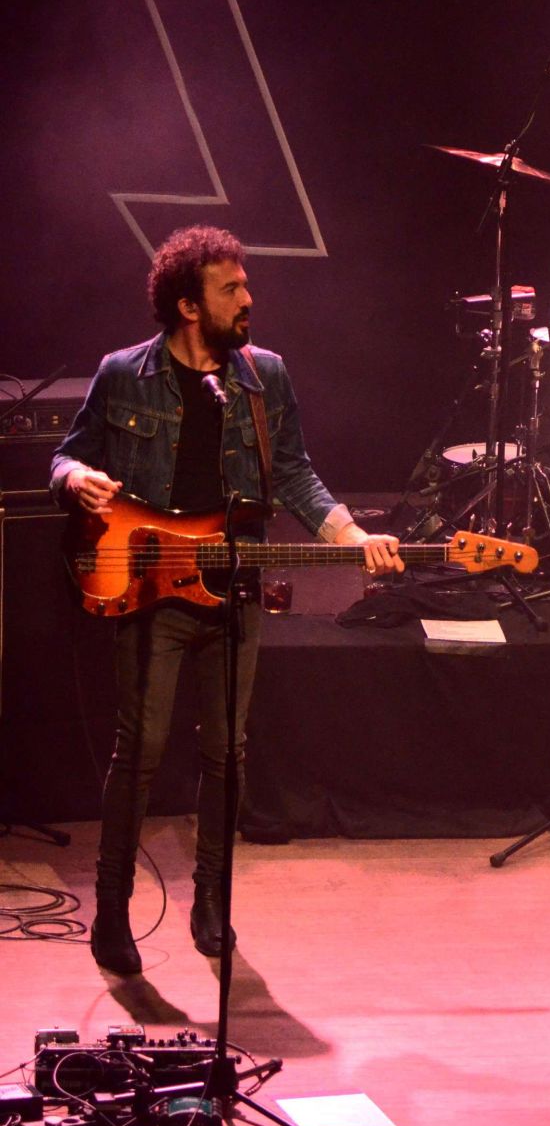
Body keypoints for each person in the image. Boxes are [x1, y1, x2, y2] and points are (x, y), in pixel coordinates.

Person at [51, 225, 404, 974]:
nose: (250, 299)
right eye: (231, 289)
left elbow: (297, 474)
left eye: (246, 286)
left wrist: (349, 533)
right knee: (139, 751)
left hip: (233, 585)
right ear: (188, 305)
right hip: (149, 592)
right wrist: (74, 479)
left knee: (226, 752)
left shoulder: (262, 376)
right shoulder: (123, 374)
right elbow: (67, 453)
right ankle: (111, 910)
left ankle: (212, 900)